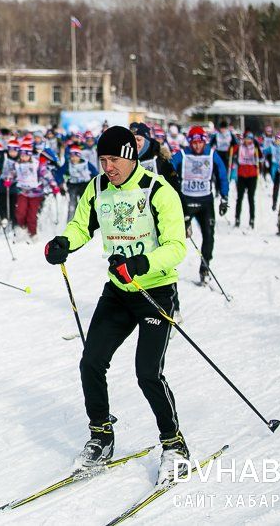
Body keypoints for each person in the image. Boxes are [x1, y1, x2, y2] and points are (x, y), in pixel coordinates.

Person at [44, 126, 190, 483]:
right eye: (103, 160)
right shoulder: (98, 188)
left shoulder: (158, 190)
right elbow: (82, 226)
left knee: (147, 373)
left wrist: (143, 263)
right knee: (91, 362)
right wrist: (64, 241)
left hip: (154, 290)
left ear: (131, 156)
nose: (108, 167)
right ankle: (101, 435)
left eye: (114, 160)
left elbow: (176, 246)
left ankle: (174, 444)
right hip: (118, 292)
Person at [171, 126, 229, 284]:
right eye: (194, 143)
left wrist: (224, 197)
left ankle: (205, 268)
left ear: (204, 141)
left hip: (206, 201)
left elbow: (222, 175)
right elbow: (168, 168)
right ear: (190, 142)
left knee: (209, 236)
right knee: (177, 236)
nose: (197, 146)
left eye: (200, 142)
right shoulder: (183, 154)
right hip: (186, 201)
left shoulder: (211, 154)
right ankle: (168, 270)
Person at [8, 135, 57, 243]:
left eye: (26, 155)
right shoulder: (17, 164)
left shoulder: (37, 164)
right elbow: (12, 174)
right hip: (22, 191)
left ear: (30, 155)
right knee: (20, 211)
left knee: (31, 214)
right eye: (22, 155)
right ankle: (22, 229)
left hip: (36, 193)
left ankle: (33, 233)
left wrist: (54, 185)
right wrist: (8, 180)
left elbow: (46, 174)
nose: (24, 157)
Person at [61, 143, 98, 221]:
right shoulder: (68, 164)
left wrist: (94, 181)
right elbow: (59, 172)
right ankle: (70, 223)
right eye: (72, 156)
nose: (74, 159)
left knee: (84, 204)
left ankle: (85, 221)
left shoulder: (86, 163)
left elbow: (95, 172)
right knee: (72, 205)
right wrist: (60, 183)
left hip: (84, 185)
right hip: (73, 186)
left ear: (79, 156)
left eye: (76, 156)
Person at [233, 132, 262, 229]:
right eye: (246, 139)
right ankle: (237, 219)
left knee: (251, 199)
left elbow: (261, 157)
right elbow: (232, 153)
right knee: (239, 198)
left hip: (252, 176)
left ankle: (252, 219)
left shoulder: (255, 147)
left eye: (250, 139)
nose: (248, 141)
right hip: (241, 175)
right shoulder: (240, 147)